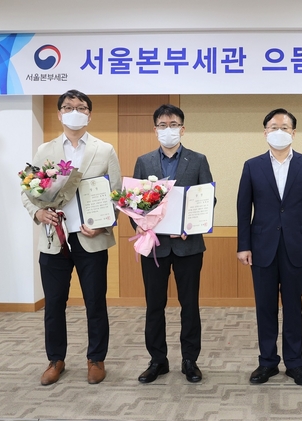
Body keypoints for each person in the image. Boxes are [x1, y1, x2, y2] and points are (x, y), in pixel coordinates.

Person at [22, 89, 122, 385]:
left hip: (91, 238)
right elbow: (28, 191)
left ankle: (96, 359)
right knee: (54, 303)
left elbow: (116, 197)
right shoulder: (45, 150)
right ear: (59, 114)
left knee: (95, 302)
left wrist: (103, 225)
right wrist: (38, 213)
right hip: (54, 238)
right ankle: (56, 360)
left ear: (89, 115)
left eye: (81, 107)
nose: (74, 112)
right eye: (68, 107)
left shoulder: (105, 150)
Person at [236, 108, 302, 386]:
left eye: (284, 127)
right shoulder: (252, 166)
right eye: (273, 127)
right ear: (265, 132)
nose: (279, 132)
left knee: (293, 306)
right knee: (264, 306)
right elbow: (243, 208)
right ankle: (267, 362)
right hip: (261, 246)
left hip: (297, 245)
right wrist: (243, 245)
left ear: (294, 133)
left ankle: (295, 363)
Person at [132, 104, 213, 384]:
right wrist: (139, 224)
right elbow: (134, 203)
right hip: (154, 245)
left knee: (189, 304)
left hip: (188, 247)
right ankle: (158, 360)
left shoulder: (198, 160)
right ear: (155, 130)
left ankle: (190, 360)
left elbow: (207, 199)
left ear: (183, 128)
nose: (169, 130)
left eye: (174, 124)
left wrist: (192, 226)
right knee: (154, 305)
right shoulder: (144, 162)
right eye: (163, 125)